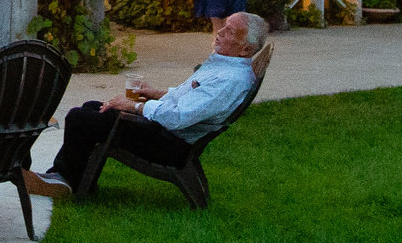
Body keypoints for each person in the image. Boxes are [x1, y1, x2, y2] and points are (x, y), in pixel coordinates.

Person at [22, 11, 267, 199]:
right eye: (224, 25)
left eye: (231, 32)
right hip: (168, 131)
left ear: (246, 49)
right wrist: (156, 93)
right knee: (92, 106)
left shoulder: (229, 80)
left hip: (170, 143)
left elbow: (179, 117)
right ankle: (71, 178)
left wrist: (134, 107)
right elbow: (192, 100)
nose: (221, 31)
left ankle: (65, 180)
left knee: (80, 116)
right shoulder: (226, 67)